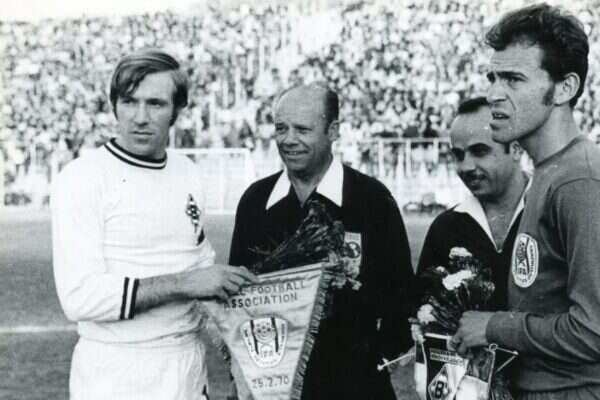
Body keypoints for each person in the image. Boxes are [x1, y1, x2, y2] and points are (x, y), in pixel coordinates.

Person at [51, 49, 256, 400]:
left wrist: (245, 351)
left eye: (156, 104)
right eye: (129, 102)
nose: (140, 117)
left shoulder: (188, 172)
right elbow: (80, 298)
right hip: (116, 370)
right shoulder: (82, 178)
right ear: (114, 105)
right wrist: (186, 283)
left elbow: (201, 268)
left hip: (187, 364)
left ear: (177, 110)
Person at [228, 83, 415, 400]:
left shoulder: (372, 199)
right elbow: (236, 298)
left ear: (333, 131)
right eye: (281, 128)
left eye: (302, 129)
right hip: (275, 386)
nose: (289, 139)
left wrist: (371, 361)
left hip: (356, 387)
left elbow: (401, 295)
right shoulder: (255, 201)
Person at [451, 4, 600, 398]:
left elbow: (594, 332)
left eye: (513, 79)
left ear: (564, 88)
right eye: (493, 77)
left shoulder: (580, 181)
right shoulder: (550, 171)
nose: (493, 94)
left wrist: (494, 326)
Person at [417, 97, 529, 313]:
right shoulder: (445, 228)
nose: (466, 166)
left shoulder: (555, 215)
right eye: (458, 155)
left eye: (480, 151)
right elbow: (422, 315)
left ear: (516, 148)